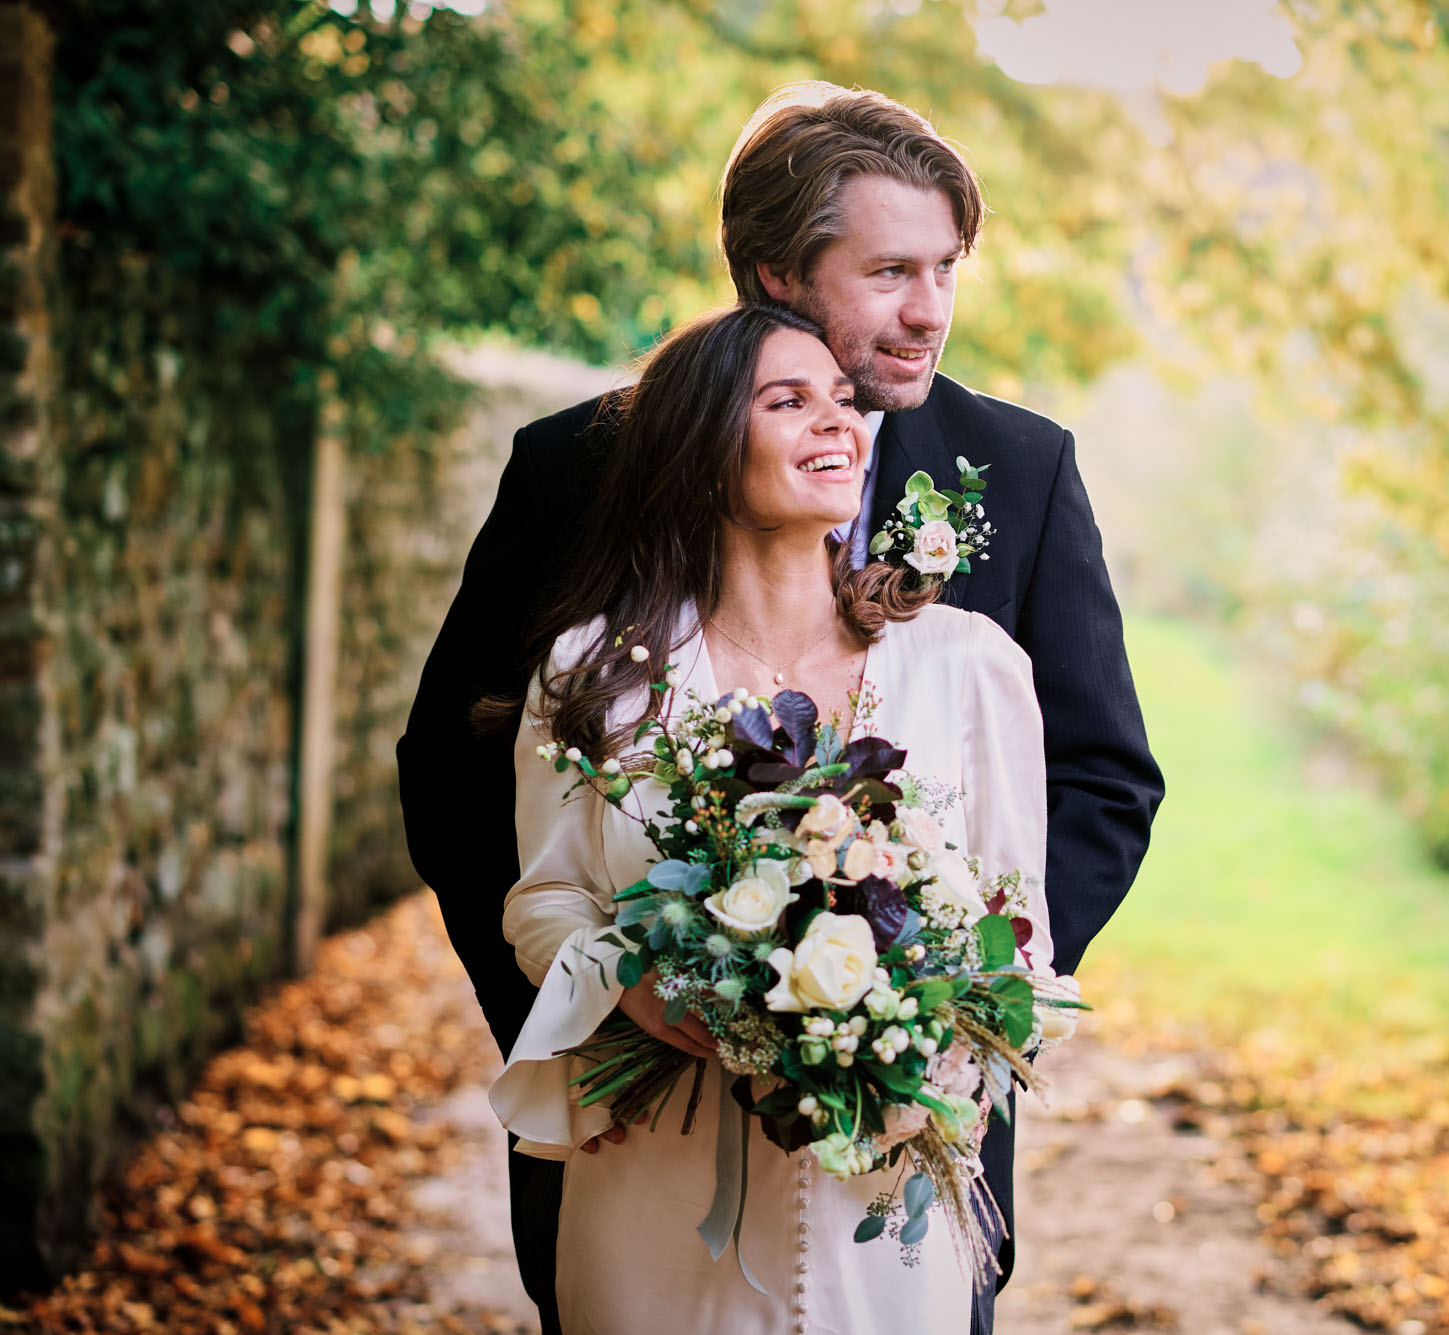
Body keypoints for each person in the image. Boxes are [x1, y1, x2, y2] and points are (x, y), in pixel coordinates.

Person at [397, 84, 1163, 1334]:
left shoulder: (1020, 470)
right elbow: (455, 769)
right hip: (637, 1136)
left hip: (904, 1144)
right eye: (890, 271)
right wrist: (604, 1020)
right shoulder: (579, 465)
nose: (930, 312)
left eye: (947, 268)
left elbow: (1099, 780)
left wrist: (928, 1005)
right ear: (772, 275)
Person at [488, 302, 1047, 1333]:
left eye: (842, 400)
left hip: (880, 1186)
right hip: (656, 1164)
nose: (836, 422)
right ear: (698, 449)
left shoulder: (970, 667)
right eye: (788, 401)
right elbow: (546, 898)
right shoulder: (596, 676)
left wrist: (922, 1059)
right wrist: (634, 988)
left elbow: (1016, 933)